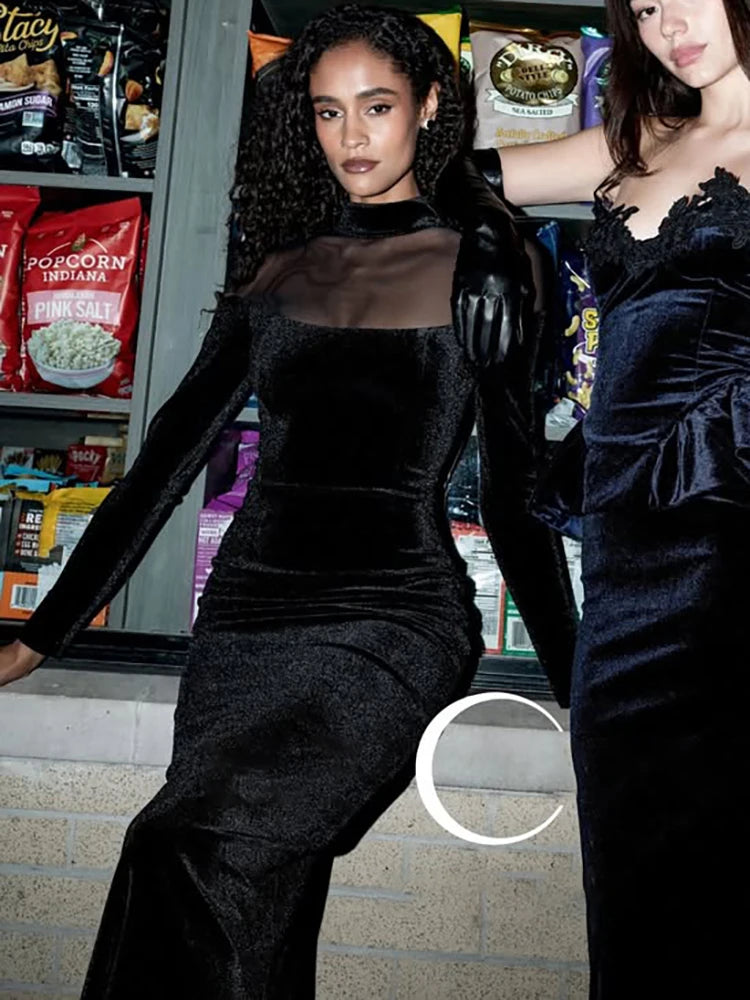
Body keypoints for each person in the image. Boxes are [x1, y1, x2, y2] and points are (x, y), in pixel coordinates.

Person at [0, 5, 577, 997]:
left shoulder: (486, 267)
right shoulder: (278, 269)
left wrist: (582, 687)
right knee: (255, 902)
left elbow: (515, 494)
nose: (352, 137)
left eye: (377, 106)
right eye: (327, 111)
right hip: (246, 622)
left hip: (389, 623)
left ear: (429, 107)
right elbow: (165, 461)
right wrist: (39, 636)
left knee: (191, 845)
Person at [475, 0, 750, 996]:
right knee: (631, 888)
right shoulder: (639, 136)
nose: (667, 23)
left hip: (729, 551)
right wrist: (492, 248)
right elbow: (460, 179)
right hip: (625, 565)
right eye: (643, 6)